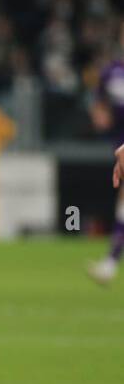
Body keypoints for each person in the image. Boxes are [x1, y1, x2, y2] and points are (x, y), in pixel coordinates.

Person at [88, 53, 124, 284]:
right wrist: (100, 114)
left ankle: (111, 263)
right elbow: (99, 102)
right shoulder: (111, 70)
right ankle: (111, 262)